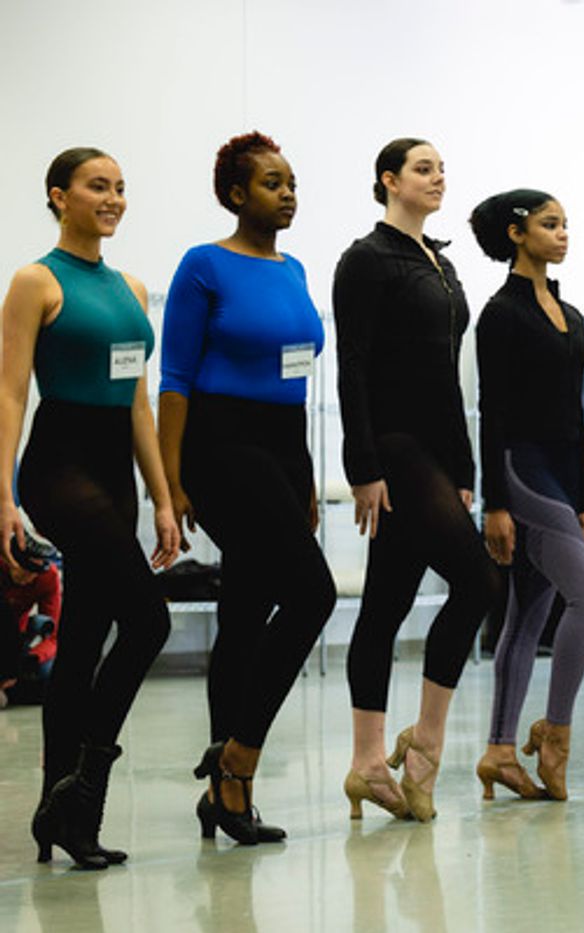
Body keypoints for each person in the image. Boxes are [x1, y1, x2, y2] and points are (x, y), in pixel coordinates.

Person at [0, 147, 179, 869]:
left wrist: (164, 497)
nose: (112, 198)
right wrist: (4, 495)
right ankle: (83, 788)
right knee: (150, 618)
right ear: (59, 196)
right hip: (61, 464)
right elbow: (10, 393)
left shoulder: (132, 287)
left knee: (84, 640)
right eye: (97, 186)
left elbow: (139, 404)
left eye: (120, 188)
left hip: (116, 466)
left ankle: (63, 814)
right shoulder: (35, 281)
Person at [158, 131, 336, 844]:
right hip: (221, 444)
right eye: (271, 182)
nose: (287, 191)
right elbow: (173, 378)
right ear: (236, 194)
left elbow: (296, 377)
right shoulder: (204, 266)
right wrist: (169, 482)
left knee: (245, 609)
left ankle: (229, 799)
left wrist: (306, 476)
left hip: (282, 443)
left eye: (292, 180)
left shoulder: (293, 269)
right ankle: (237, 753)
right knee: (314, 593)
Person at [334, 138, 499, 820]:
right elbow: (353, 365)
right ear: (389, 180)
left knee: (386, 602)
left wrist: (462, 469)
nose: (438, 179)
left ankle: (368, 764)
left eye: (441, 169)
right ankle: (425, 742)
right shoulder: (367, 259)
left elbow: (448, 377)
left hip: (434, 450)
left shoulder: (441, 264)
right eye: (424, 169)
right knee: (480, 579)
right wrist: (363, 466)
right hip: (393, 446)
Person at [470, 189, 584, 801]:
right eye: (550, 224)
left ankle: (501, 752)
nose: (562, 234)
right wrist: (494, 503)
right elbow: (491, 409)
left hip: (561, 473)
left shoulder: (572, 315)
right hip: (519, 469)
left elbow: (577, 416)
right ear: (517, 233)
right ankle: (556, 734)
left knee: (527, 616)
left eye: (565, 224)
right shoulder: (500, 313)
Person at [0, 537, 61, 708]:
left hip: (18, 636)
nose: (28, 578)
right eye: (24, 570)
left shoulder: (48, 577)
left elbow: (54, 633)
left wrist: (32, 659)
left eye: (34, 573)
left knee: (48, 674)